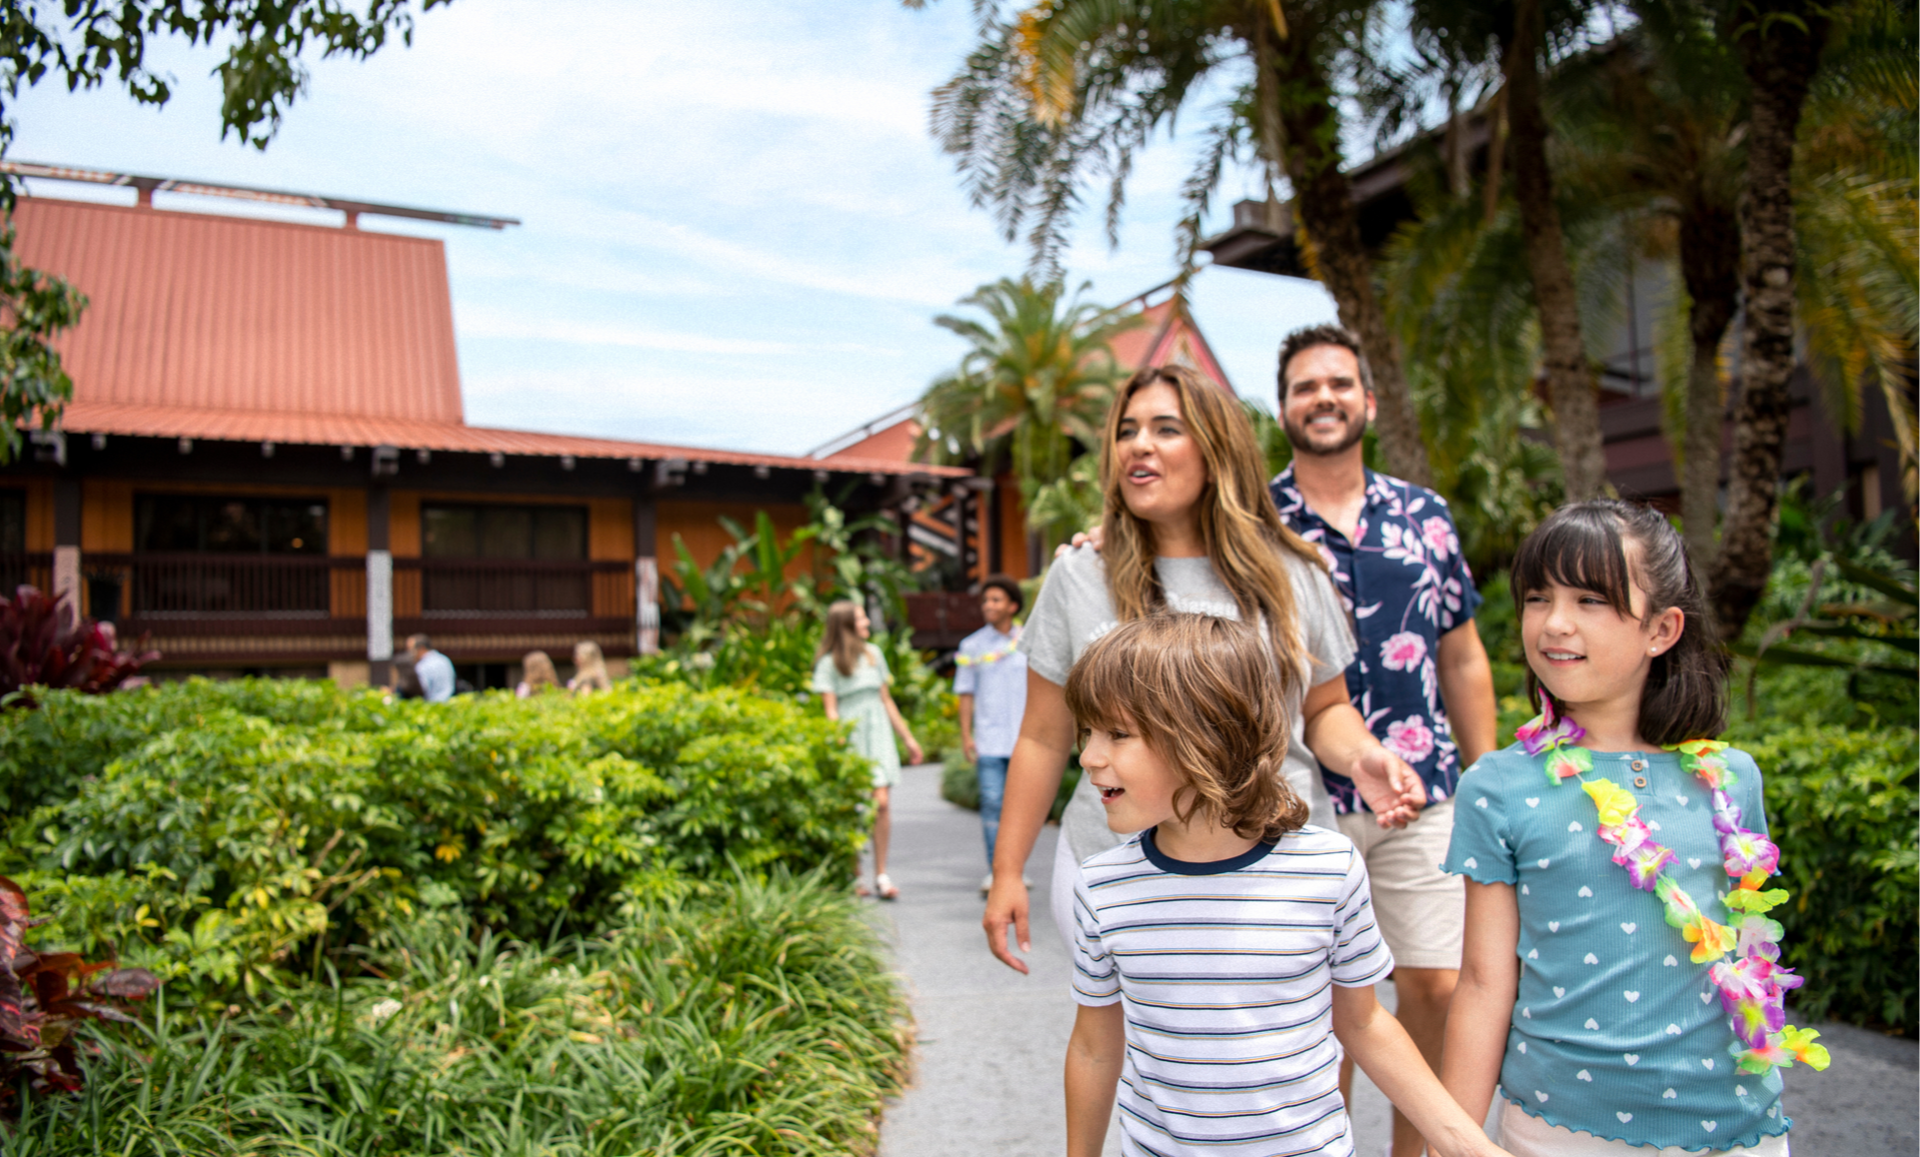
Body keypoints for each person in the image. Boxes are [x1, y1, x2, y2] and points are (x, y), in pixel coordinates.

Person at [986, 364, 1426, 974]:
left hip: (1277, 861)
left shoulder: (1294, 574)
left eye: (1167, 428)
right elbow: (1042, 734)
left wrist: (1362, 758)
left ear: (1217, 450)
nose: (1138, 444)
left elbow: (1325, 709)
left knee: (1304, 1052)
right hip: (1116, 863)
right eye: (1127, 430)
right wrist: (1007, 871)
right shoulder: (1079, 574)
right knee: (1127, 1060)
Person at [1441, 501, 1828, 1156]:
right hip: (1558, 1129)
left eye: (1591, 599)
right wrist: (1447, 1140)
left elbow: (1746, 945)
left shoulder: (1731, 780)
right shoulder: (1498, 786)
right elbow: (1483, 981)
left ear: (1662, 628)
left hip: (1734, 1126)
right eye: (1538, 597)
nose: (1554, 622)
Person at [1063, 613, 1514, 1157]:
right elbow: (1093, 1047)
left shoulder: (1327, 869)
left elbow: (1366, 1023)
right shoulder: (1103, 888)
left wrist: (1468, 1144)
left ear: (1205, 736)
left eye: (1116, 733)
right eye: (1087, 732)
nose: (1088, 756)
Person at [1270, 322, 1499, 1156]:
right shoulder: (1254, 519)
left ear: (1367, 400)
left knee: (1435, 981)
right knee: (1321, 1003)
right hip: (1293, 798)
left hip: (1423, 787)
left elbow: (1463, 654)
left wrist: (1486, 780)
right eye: (1305, 385)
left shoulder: (1424, 516)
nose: (1322, 396)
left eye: (1338, 382)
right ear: (1284, 406)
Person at [813, 600, 924, 900]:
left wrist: (908, 739)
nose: (866, 623)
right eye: (861, 618)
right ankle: (854, 874)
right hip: (851, 737)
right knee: (852, 808)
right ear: (847, 624)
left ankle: (881, 873)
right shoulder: (829, 663)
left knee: (882, 803)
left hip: (878, 735)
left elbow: (886, 700)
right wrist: (838, 743)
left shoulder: (874, 654)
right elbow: (831, 710)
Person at [954, 573, 1028, 894]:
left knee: (1022, 806)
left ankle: (1016, 870)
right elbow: (965, 693)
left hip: (1026, 740)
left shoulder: (1030, 640)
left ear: (1012, 605)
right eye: (985, 600)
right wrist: (966, 736)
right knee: (992, 802)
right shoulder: (971, 646)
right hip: (989, 739)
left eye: (996, 600)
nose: (988, 605)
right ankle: (995, 871)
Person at [407, 634, 454, 703]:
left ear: (421, 648)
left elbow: (421, 690)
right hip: (447, 705)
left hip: (431, 708)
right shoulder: (445, 660)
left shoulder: (422, 666)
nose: (410, 654)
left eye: (411, 650)